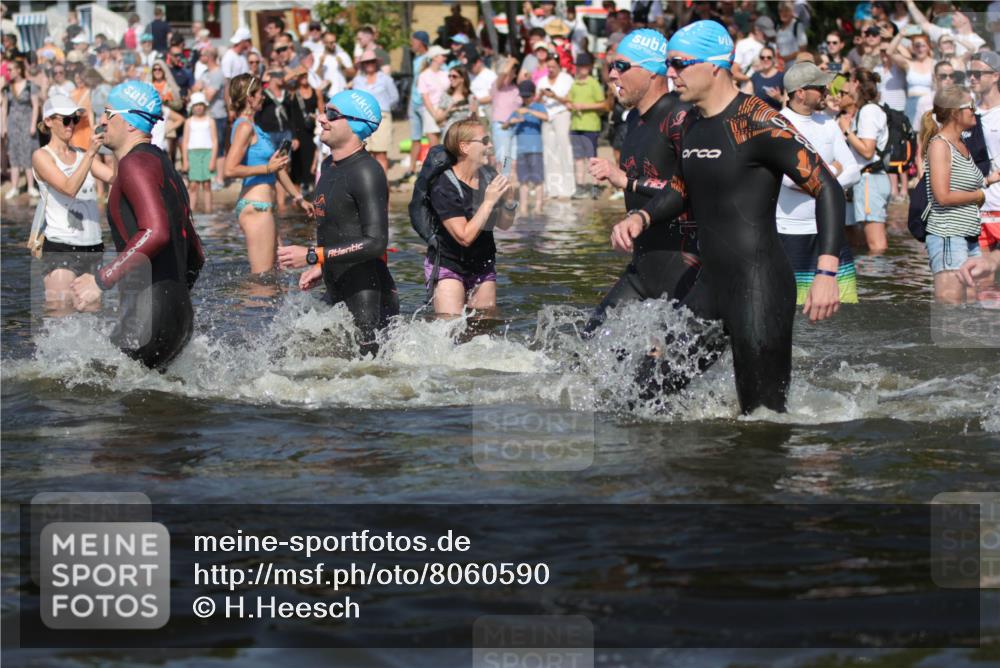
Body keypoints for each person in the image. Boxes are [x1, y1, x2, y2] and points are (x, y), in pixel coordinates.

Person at [612, 20, 844, 415]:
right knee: (643, 397)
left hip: (759, 287)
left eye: (679, 63)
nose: (670, 73)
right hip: (708, 285)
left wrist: (826, 272)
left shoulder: (757, 121)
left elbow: (828, 188)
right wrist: (643, 219)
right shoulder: (691, 124)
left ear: (715, 66)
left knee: (763, 421)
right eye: (668, 64)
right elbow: (681, 188)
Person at [69, 82, 204, 370]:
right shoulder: (162, 164)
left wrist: (100, 280)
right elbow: (197, 253)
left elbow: (156, 232)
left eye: (108, 113)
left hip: (148, 316)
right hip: (179, 317)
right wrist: (173, 300)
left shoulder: (134, 165)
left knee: (86, 394)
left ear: (129, 121)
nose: (102, 120)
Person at [586, 28, 700, 336]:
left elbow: (693, 188)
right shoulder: (634, 119)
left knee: (663, 373)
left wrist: (626, 181)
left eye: (621, 66)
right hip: (643, 267)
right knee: (587, 347)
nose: (611, 74)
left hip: (685, 268)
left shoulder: (683, 116)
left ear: (651, 71)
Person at [278, 90, 398, 357]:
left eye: (332, 114)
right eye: (323, 111)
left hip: (368, 294)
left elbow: (376, 242)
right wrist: (323, 265)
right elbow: (342, 227)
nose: (322, 118)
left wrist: (313, 255)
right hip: (338, 284)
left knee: (368, 378)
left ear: (355, 124)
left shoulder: (367, 172)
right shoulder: (330, 165)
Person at [778, 62, 861, 306]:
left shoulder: (828, 123)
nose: (827, 91)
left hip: (829, 231)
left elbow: (854, 171)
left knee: (844, 307)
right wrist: (832, 168)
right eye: (820, 87)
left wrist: (817, 180)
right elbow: (789, 181)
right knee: (795, 311)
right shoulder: (779, 123)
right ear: (800, 92)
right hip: (790, 234)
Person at [30, 95, 115, 314]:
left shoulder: (80, 154)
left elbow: (115, 177)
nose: (71, 125)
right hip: (61, 248)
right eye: (66, 120)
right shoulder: (41, 156)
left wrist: (116, 144)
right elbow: (68, 188)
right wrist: (90, 154)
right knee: (60, 317)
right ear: (48, 121)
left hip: (93, 247)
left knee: (91, 321)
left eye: (74, 120)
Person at [425, 118, 517, 316]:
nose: (490, 145)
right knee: (449, 329)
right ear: (464, 147)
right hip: (450, 265)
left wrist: (509, 200)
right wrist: (489, 201)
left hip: (483, 265)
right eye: (484, 141)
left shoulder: (488, 175)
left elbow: (504, 224)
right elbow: (464, 237)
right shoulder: (443, 185)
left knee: (485, 329)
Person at [224, 72, 312, 274]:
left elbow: (277, 168)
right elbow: (229, 169)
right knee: (262, 279)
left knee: (278, 273)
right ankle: (241, 306)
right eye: (260, 94)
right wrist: (267, 168)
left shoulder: (255, 127)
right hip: (256, 208)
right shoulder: (244, 127)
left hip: (264, 208)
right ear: (249, 98)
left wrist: (299, 198)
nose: (263, 97)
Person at [922, 86, 1000, 303]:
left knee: (973, 301)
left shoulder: (962, 144)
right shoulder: (939, 145)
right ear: (955, 112)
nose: (974, 111)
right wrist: (979, 196)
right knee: (950, 304)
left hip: (968, 233)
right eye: (970, 107)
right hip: (948, 234)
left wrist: (988, 180)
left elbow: (962, 184)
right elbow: (942, 197)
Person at [839, 68, 891, 254]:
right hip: (866, 181)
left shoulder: (869, 111)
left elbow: (868, 151)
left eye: (849, 83)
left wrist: (846, 130)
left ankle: (876, 280)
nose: (846, 88)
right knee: (861, 241)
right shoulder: (865, 110)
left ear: (856, 84)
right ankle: (869, 275)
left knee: (876, 244)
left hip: (871, 180)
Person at [970, 51, 1000, 292]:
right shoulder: (968, 113)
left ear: (996, 75)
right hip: (979, 205)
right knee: (982, 280)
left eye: (978, 73)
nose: (972, 78)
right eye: (970, 73)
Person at [350, 50, 398, 174]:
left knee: (381, 154)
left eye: (371, 61)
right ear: (362, 64)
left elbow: (394, 98)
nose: (369, 64)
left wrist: (383, 109)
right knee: (366, 154)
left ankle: (382, 187)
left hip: (382, 118)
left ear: (376, 62)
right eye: (366, 62)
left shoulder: (386, 79)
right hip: (363, 120)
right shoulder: (357, 80)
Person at [504, 79, 548, 213]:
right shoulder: (517, 110)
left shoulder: (538, 107)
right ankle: (523, 207)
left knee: (538, 180)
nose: (525, 98)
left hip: (536, 150)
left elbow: (546, 117)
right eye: (523, 96)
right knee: (522, 181)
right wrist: (512, 121)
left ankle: (538, 207)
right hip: (521, 151)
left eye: (527, 96)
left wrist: (528, 112)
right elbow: (504, 125)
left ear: (533, 95)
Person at [536, 53, 575, 199]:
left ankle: (568, 189)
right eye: (549, 67)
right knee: (549, 152)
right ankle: (552, 189)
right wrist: (540, 96)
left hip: (562, 114)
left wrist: (554, 96)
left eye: (553, 66)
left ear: (559, 66)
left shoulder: (567, 79)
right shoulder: (541, 81)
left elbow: (571, 99)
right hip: (546, 116)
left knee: (564, 150)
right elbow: (537, 102)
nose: (551, 69)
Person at [567, 52, 605, 199]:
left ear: (589, 68)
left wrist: (584, 106)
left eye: (584, 66)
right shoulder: (574, 83)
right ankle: (580, 186)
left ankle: (595, 186)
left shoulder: (594, 83)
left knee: (592, 158)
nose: (581, 69)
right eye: (579, 66)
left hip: (591, 125)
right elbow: (568, 101)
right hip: (576, 125)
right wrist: (572, 106)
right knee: (578, 158)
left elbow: (602, 104)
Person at [3, 60, 40, 200]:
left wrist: (32, 124)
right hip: (13, 124)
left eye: (11, 69)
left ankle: (30, 186)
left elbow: (35, 106)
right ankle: (14, 187)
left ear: (19, 70)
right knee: (14, 155)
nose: (9, 72)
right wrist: (4, 126)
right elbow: (5, 108)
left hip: (26, 123)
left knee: (28, 154)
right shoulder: (7, 88)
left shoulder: (30, 86)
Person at [181, 92, 217, 213]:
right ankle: (192, 212)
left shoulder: (210, 121)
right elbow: (185, 142)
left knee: (207, 184)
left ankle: (209, 211)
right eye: (196, 105)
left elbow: (214, 141)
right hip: (193, 154)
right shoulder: (189, 122)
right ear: (192, 107)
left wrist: (213, 160)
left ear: (205, 106)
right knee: (193, 185)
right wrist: (185, 161)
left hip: (207, 153)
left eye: (201, 105)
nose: (198, 107)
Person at [488, 57, 522, 176]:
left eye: (514, 70)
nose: (512, 71)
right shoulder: (497, 86)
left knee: (512, 159)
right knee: (503, 158)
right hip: (502, 126)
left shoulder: (516, 88)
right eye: (511, 69)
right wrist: (511, 61)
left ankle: (508, 185)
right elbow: (503, 73)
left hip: (515, 127)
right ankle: (502, 186)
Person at [405, 31, 430, 180]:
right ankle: (412, 168)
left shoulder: (429, 58)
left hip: (424, 103)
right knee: (415, 136)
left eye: (413, 41)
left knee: (431, 135)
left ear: (421, 42)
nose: (411, 44)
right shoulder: (416, 58)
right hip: (413, 102)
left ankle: (431, 168)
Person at [418, 45, 451, 146]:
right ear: (435, 57)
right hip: (430, 113)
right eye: (442, 55)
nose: (445, 58)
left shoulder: (446, 74)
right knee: (434, 149)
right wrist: (435, 115)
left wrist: (444, 112)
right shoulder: (423, 75)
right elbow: (425, 98)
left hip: (445, 111)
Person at [430, 65, 475, 139]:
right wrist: (449, 110)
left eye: (454, 76)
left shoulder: (470, 97)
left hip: (466, 135)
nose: (451, 78)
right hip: (450, 135)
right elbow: (437, 119)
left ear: (462, 78)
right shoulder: (446, 96)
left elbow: (476, 120)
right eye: (449, 76)